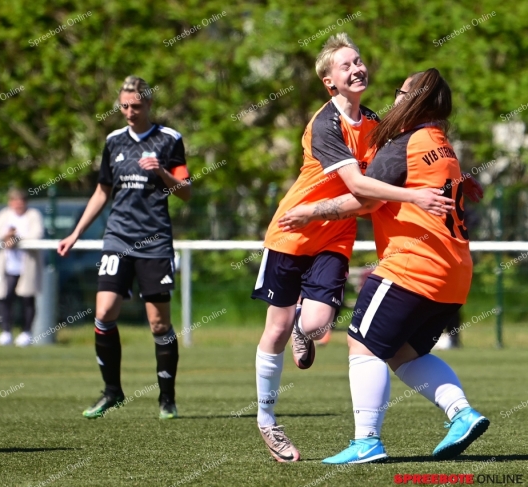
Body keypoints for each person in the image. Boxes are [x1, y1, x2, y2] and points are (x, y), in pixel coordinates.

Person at [247, 33, 482, 462]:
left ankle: (368, 441)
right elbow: (369, 184)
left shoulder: (386, 130)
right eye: (346, 64)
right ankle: (266, 420)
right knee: (286, 331)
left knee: (341, 336)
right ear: (329, 82)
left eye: (359, 60)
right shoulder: (328, 124)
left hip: (348, 237)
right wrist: (444, 186)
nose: (358, 68)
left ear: (413, 102)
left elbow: (377, 186)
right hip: (295, 230)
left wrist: (438, 188)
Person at [58, 75, 191, 420]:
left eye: (136, 106)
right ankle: (112, 392)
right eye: (124, 106)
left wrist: (161, 171)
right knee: (103, 315)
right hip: (117, 238)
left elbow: (186, 191)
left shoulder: (169, 140)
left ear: (149, 104)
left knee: (159, 325)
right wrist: (76, 233)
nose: (130, 112)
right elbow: (103, 190)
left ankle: (166, 398)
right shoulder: (113, 141)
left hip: (155, 242)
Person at [0, 189, 43, 347]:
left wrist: (17, 238)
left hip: (27, 265)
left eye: (21, 200)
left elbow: (37, 234)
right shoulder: (4, 215)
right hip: (7, 265)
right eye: (14, 200)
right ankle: (6, 331)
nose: (18, 204)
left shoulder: (33, 215)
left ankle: (26, 332)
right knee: (5, 297)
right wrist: (6, 236)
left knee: (27, 299)